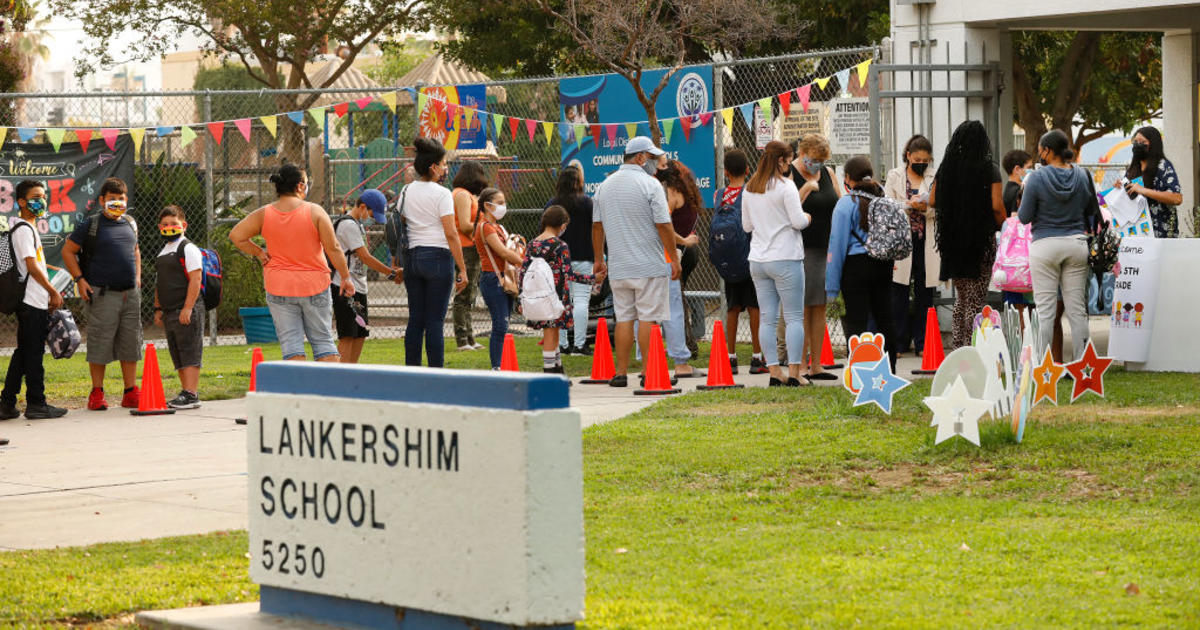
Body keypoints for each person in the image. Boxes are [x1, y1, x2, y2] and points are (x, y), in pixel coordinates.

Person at [229, 164, 353, 363]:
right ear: (300, 186)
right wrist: (345, 277)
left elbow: (236, 235)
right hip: (315, 284)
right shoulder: (315, 211)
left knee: (291, 344)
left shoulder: (264, 213)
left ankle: (297, 392)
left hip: (279, 287)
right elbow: (334, 248)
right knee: (323, 341)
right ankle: (329, 390)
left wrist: (260, 253)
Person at [592, 136, 679, 388]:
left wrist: (599, 258)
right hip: (649, 265)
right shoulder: (650, 185)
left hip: (619, 266)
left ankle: (620, 373)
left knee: (624, 318)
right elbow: (664, 225)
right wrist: (673, 258)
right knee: (648, 319)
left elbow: (597, 226)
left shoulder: (604, 186)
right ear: (640, 157)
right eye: (651, 158)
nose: (654, 163)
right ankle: (649, 371)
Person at [61, 177, 143, 411]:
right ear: (101, 200)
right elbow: (68, 251)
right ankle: (97, 393)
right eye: (112, 199)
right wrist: (80, 279)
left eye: (121, 199)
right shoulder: (92, 225)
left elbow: (135, 250)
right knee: (100, 342)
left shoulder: (130, 223)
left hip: (130, 295)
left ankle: (130, 392)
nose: (117, 203)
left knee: (131, 343)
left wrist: (137, 277)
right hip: (102, 294)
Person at [1018, 129, 1094, 361]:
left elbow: (1024, 217)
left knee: (1045, 312)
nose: (1039, 153)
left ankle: (1043, 370)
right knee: (1077, 311)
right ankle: (1084, 367)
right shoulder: (1082, 175)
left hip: (1045, 246)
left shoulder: (1036, 178)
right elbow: (1090, 210)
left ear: (1048, 151)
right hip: (1076, 243)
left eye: (1041, 150)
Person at [742, 140, 812, 387]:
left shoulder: (750, 187)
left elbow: (747, 226)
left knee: (767, 319)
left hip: (758, 259)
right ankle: (794, 372)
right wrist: (807, 217)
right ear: (781, 160)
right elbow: (797, 221)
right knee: (793, 317)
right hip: (785, 257)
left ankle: (774, 371)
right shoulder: (786, 186)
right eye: (789, 159)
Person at [931, 120, 1006, 349]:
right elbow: (996, 205)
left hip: (952, 240)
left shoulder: (947, 168)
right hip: (980, 240)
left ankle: (958, 347)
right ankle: (972, 349)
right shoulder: (989, 168)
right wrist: (1006, 224)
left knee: (961, 299)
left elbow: (933, 200)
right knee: (975, 299)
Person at [397, 137, 470, 367]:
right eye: (443, 163)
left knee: (416, 320)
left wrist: (397, 261)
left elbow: (401, 226)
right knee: (435, 322)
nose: (446, 168)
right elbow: (451, 233)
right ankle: (436, 373)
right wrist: (463, 268)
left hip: (412, 258)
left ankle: (412, 372)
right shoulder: (442, 194)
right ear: (433, 167)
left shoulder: (406, 191)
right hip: (438, 258)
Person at [0, 180, 67, 420]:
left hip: (33, 300)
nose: (42, 200)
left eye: (44, 196)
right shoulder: (23, 230)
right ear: (21, 201)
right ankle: (37, 403)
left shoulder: (27, 228)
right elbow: (30, 266)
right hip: (31, 301)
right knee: (34, 354)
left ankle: (6, 403)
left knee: (24, 352)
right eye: (36, 196)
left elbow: (34, 264)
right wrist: (53, 291)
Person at [827, 156, 897, 373]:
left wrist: (831, 286)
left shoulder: (846, 204)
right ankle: (889, 369)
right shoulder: (883, 199)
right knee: (885, 318)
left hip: (855, 267)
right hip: (883, 264)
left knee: (856, 321)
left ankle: (858, 372)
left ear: (847, 178)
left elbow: (836, 245)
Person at [789, 134, 841, 380]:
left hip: (825, 248)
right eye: (813, 159)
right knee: (802, 307)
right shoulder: (790, 174)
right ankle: (799, 364)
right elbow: (788, 208)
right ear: (802, 153)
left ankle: (817, 364)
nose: (817, 164)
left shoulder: (828, 174)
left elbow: (839, 204)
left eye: (822, 160)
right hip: (801, 249)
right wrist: (806, 187)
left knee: (819, 305)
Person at [331, 189, 402, 364]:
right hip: (344, 286)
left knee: (360, 333)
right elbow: (365, 257)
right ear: (362, 207)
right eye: (372, 213)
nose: (372, 219)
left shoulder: (357, 224)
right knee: (348, 334)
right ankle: (341, 374)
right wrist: (391, 273)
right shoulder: (347, 225)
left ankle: (352, 371)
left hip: (358, 285)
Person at [522, 206, 594, 374]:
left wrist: (522, 295)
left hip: (537, 294)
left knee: (552, 332)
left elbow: (523, 271)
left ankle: (557, 368)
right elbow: (568, 274)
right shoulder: (560, 245)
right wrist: (592, 279)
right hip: (556, 295)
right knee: (551, 332)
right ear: (562, 225)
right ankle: (549, 372)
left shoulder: (533, 244)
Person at [884, 134, 938, 357]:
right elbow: (887, 204)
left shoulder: (935, 176)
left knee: (926, 291)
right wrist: (908, 205)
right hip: (902, 240)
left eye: (925, 160)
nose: (921, 164)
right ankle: (898, 343)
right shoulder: (894, 175)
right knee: (899, 290)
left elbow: (941, 205)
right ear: (908, 156)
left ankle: (924, 342)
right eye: (917, 159)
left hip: (926, 238)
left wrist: (926, 208)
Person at [714, 149, 766, 375]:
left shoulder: (719, 195)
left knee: (732, 307)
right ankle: (756, 357)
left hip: (728, 260)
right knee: (754, 306)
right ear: (747, 170)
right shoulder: (751, 192)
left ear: (725, 172)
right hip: (749, 254)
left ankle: (731, 357)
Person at [152, 206, 205, 409]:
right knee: (178, 352)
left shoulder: (188, 248)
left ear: (183, 225)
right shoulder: (163, 251)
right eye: (165, 225)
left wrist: (188, 308)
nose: (169, 227)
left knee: (190, 350)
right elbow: (159, 283)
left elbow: (196, 278)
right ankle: (185, 391)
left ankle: (191, 393)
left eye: (173, 224)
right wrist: (158, 309)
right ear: (160, 227)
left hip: (186, 309)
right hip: (169, 311)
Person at [656, 161, 704, 379]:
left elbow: (662, 225)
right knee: (672, 307)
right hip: (675, 253)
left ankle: (672, 359)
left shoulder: (670, 193)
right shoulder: (686, 194)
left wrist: (682, 241)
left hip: (670, 254)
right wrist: (684, 241)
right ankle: (679, 357)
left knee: (666, 308)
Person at [475, 188, 525, 369]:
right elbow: (503, 252)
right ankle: (496, 366)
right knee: (500, 324)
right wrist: (524, 263)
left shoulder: (497, 227)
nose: (504, 206)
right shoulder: (485, 227)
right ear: (488, 205)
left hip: (503, 278)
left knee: (503, 323)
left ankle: (501, 364)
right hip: (493, 279)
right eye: (500, 202)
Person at [548, 165, 595, 355]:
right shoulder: (587, 203)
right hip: (584, 255)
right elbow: (596, 228)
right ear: (579, 183)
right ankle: (580, 344)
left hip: (559, 258)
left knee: (561, 300)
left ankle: (563, 344)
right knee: (582, 300)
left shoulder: (552, 204)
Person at [450, 161, 489, 351]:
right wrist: (483, 232)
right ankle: (462, 339)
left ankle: (470, 338)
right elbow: (465, 225)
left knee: (469, 294)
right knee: (463, 294)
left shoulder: (466, 194)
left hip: (470, 247)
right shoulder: (462, 195)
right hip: (466, 247)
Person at [1124, 126, 1183, 238]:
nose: (1137, 145)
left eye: (1142, 142)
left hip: (1161, 234)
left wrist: (1143, 190)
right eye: (1135, 142)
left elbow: (1177, 198)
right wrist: (1120, 186)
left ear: (1153, 144)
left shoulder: (1163, 166)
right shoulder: (1133, 168)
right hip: (1137, 233)